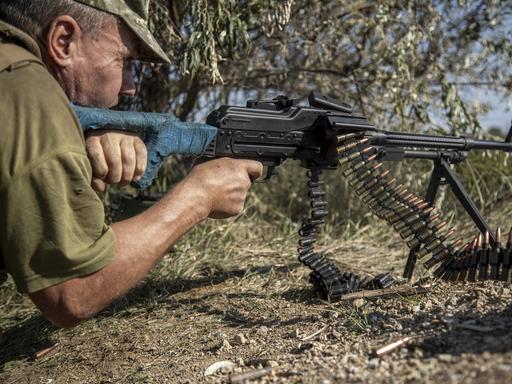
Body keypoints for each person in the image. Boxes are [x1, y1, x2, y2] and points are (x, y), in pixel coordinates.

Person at [0, 0, 262, 328]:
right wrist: (198, 197)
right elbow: (72, 292)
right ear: (63, 40)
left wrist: (76, 144)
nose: (130, 85)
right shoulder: (30, 94)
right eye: (124, 60)